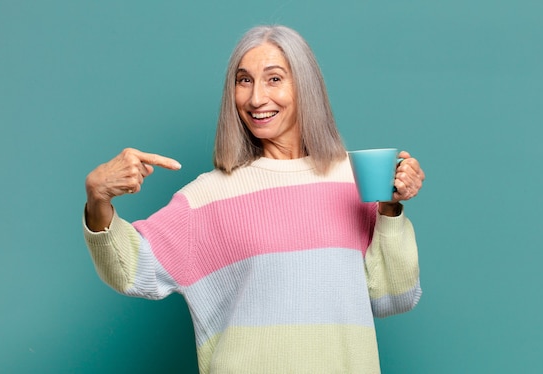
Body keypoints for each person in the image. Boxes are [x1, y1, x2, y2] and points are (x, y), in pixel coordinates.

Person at [83, 25, 425, 374]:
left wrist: (390, 209)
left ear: (305, 87)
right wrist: (98, 199)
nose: (256, 98)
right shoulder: (208, 196)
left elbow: (393, 296)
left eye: (274, 79)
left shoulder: (353, 181)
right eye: (244, 80)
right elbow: (131, 270)